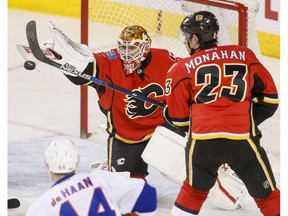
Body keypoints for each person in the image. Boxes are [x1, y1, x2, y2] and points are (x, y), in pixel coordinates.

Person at [164, 11, 280, 215]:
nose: (185, 41)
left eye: (186, 36)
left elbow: (179, 120)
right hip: (242, 139)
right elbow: (270, 100)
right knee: (268, 196)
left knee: (193, 192)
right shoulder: (245, 56)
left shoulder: (180, 69)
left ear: (194, 38)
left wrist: (172, 113)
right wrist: (245, 120)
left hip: (203, 141)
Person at [55, 24, 180, 180]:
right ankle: (110, 166)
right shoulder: (110, 60)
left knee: (185, 170)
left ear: (145, 47)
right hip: (126, 135)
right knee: (129, 187)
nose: (126, 54)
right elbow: (84, 71)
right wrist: (62, 59)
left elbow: (189, 76)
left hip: (162, 128)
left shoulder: (165, 58)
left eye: (132, 48)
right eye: (122, 47)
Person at [26, 139, 157, 216]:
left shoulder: (40, 207)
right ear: (76, 162)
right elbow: (148, 195)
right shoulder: (101, 179)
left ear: (47, 166)